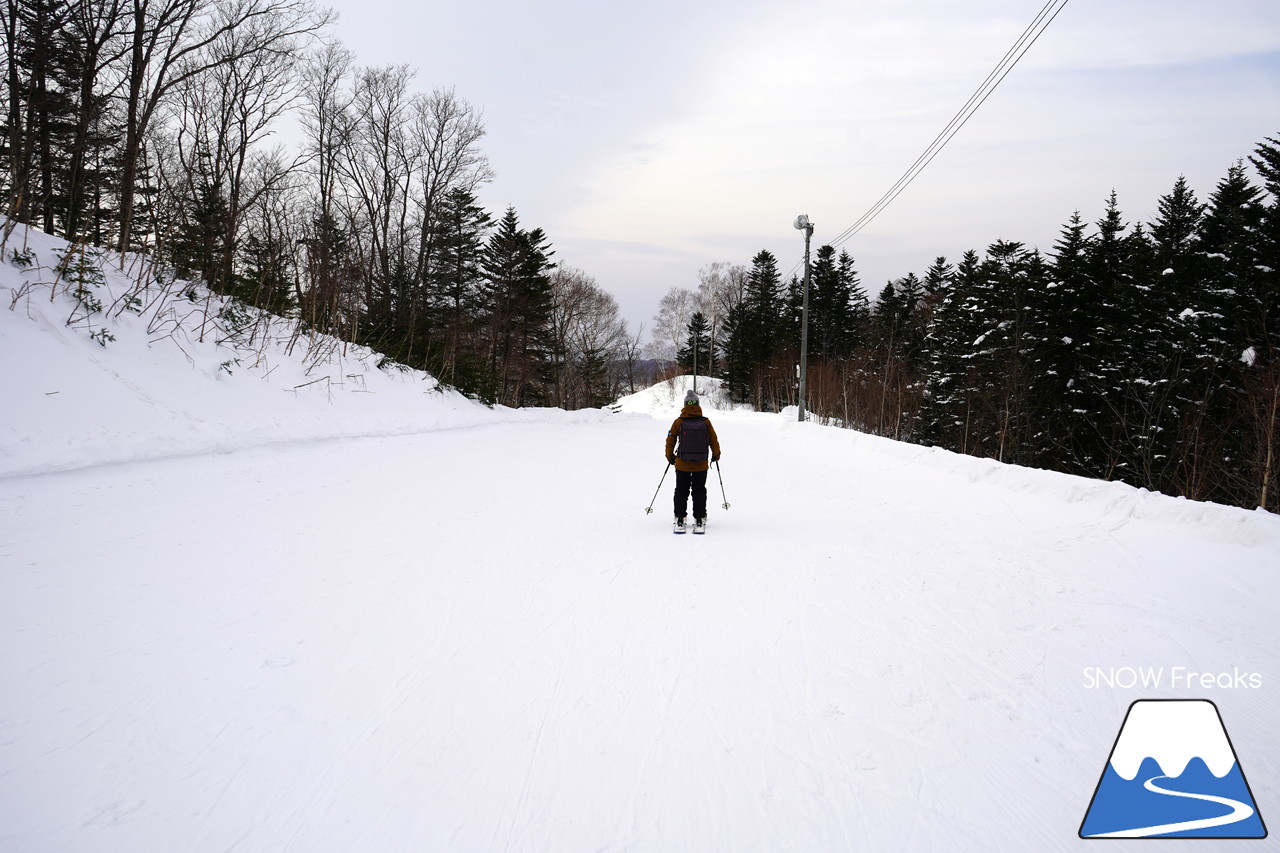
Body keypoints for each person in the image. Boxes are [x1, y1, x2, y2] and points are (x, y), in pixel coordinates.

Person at [665, 390, 721, 533]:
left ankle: (679, 518)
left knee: (681, 490)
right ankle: (700, 518)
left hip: (682, 463)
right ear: (698, 405)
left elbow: (670, 440)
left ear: (684, 405)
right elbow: (713, 440)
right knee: (699, 490)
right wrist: (716, 455)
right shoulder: (706, 422)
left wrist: (670, 456)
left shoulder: (679, 422)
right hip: (701, 464)